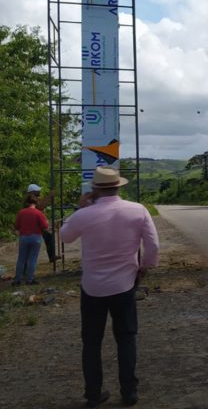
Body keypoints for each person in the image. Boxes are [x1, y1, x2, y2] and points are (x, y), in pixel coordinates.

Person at [60, 167, 159, 408]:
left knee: (92, 342)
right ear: (118, 186)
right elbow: (153, 246)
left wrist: (79, 208)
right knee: (126, 338)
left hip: (92, 287)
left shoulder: (84, 215)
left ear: (95, 189)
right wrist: (145, 267)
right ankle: (129, 392)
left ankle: (93, 395)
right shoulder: (138, 210)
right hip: (125, 284)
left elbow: (65, 236)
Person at [13, 191, 49, 285]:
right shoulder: (38, 213)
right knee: (32, 259)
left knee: (21, 259)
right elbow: (45, 226)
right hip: (36, 237)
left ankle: (17, 279)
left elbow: (16, 226)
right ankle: (30, 279)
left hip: (24, 237)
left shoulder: (21, 212)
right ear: (36, 202)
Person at [27, 183, 59, 263]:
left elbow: (41, 204)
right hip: (34, 224)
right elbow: (41, 206)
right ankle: (51, 256)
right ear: (33, 192)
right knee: (47, 237)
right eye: (38, 191)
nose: (39, 192)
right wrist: (50, 196)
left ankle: (52, 256)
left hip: (35, 222)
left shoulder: (33, 198)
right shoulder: (31, 198)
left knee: (48, 236)